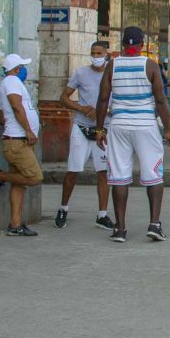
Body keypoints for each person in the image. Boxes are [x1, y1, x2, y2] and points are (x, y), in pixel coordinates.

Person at [95, 26, 170, 243]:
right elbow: (160, 100)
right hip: (145, 126)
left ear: (123, 44)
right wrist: (168, 129)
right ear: (142, 45)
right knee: (153, 174)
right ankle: (154, 224)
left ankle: (120, 229)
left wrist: (99, 128)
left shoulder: (112, 65)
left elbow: (103, 99)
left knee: (119, 177)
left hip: (119, 125)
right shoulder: (150, 65)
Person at [54, 41, 113, 230]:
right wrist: (81, 108)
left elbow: (118, 101)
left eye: (99, 53)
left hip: (102, 130)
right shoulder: (81, 73)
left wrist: (106, 110)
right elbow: (63, 98)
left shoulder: (113, 74)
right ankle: (63, 208)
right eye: (93, 53)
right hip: (81, 127)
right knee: (73, 170)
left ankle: (102, 214)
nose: (96, 56)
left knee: (103, 172)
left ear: (106, 54)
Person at [0, 54, 44, 236]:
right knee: (35, 177)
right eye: (23, 67)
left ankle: (15, 225)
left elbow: (1, 117)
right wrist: (28, 130)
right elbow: (16, 107)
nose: (25, 70)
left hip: (17, 139)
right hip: (18, 141)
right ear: (17, 69)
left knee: (19, 184)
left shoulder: (9, 83)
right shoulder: (12, 81)